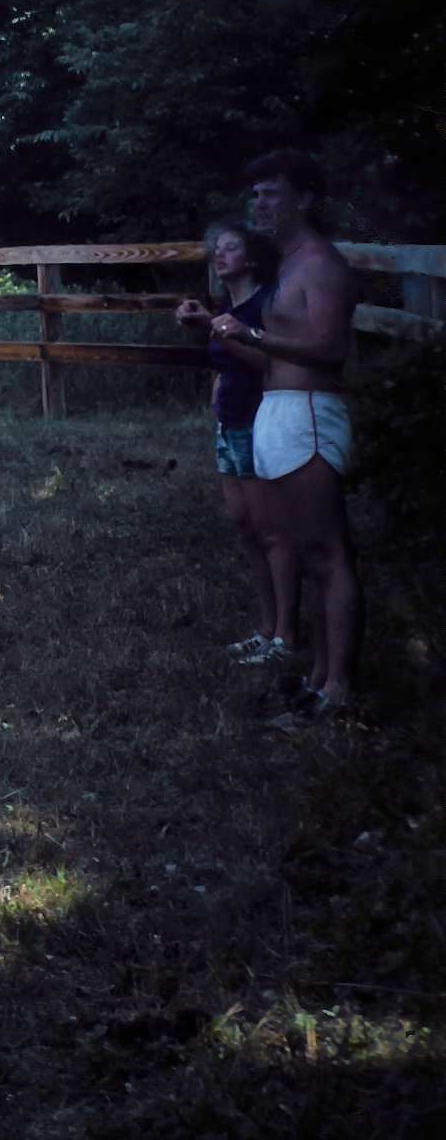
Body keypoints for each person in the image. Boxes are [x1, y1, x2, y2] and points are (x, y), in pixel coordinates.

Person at [204, 148, 361, 725]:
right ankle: (318, 676)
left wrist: (253, 335)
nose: (259, 203)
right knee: (305, 553)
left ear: (306, 198)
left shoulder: (320, 264)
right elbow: (269, 355)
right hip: (275, 411)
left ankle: (339, 688)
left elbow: (330, 349)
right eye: (255, 194)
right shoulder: (288, 265)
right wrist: (225, 335)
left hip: (309, 414)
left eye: (271, 192)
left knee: (328, 554)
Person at [175, 221, 289, 664]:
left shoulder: (265, 304)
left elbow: (269, 364)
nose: (219, 255)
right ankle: (266, 627)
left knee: (271, 531)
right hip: (227, 424)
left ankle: (285, 637)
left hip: (257, 422)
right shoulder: (227, 304)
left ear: (253, 258)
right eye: (216, 249)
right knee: (244, 526)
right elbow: (225, 362)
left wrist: (215, 327)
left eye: (231, 248)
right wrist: (205, 330)